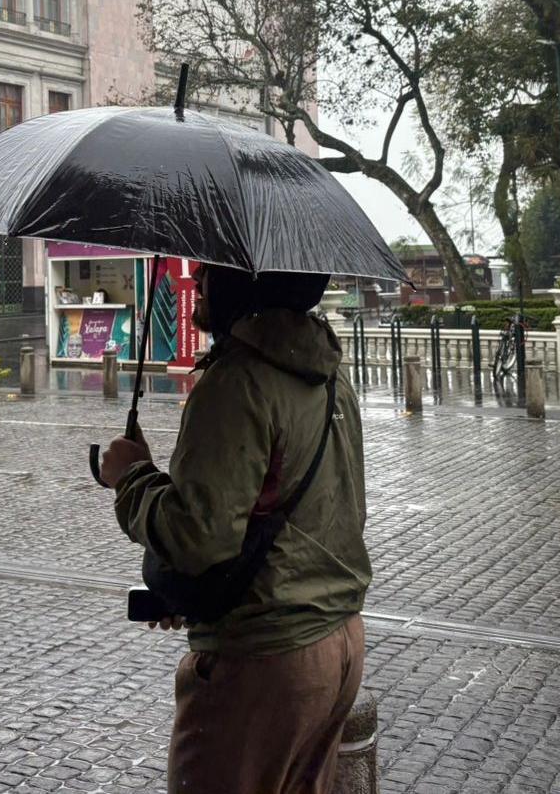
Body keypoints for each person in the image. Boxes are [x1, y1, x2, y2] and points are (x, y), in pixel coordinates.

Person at [99, 266, 370, 794]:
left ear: (246, 285)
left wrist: (130, 477)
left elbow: (198, 536)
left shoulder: (236, 381)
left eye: (213, 268)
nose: (196, 276)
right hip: (339, 642)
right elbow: (317, 518)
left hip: (264, 660)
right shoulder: (329, 374)